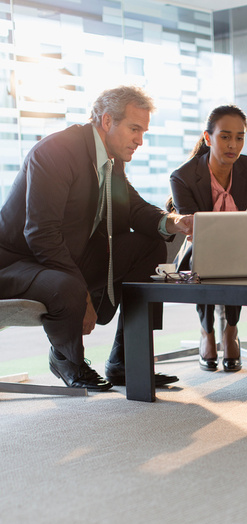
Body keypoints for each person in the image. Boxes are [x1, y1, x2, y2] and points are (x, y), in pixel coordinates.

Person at [0, 86, 192, 390]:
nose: (140, 140)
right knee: (65, 284)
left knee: (150, 245)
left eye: (143, 131)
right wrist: (82, 291)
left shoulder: (110, 161)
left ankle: (126, 361)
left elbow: (133, 208)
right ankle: (67, 359)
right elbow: (41, 234)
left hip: (63, 256)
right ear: (106, 121)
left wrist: (175, 222)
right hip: (17, 262)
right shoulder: (56, 152)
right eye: (134, 129)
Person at [169, 104, 247, 372]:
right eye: (225, 136)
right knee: (206, 257)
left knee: (237, 255)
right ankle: (207, 331)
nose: (233, 144)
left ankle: (231, 329)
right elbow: (194, 231)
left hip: (240, 248)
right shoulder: (183, 177)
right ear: (207, 137)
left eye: (239, 137)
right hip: (197, 250)